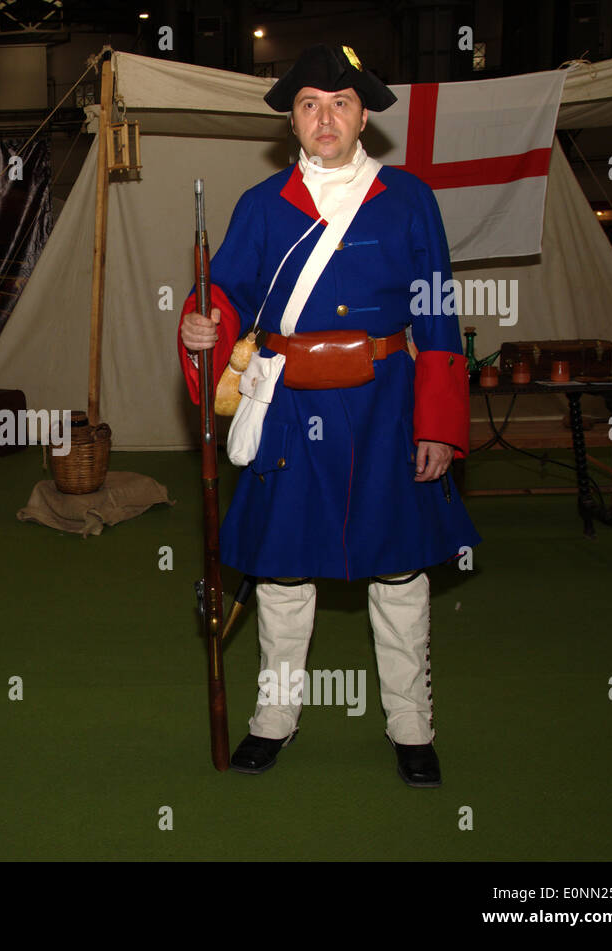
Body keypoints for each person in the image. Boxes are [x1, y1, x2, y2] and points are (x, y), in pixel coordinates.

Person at [178, 44, 481, 788]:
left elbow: (438, 309)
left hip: (386, 407)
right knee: (282, 577)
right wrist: (201, 322)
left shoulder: (408, 198)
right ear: (292, 119)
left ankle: (412, 726)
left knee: (400, 575)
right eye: (310, 104)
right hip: (291, 409)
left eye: (340, 104)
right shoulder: (261, 206)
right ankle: (273, 719)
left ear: (364, 116)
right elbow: (223, 296)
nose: (325, 117)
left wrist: (438, 421)